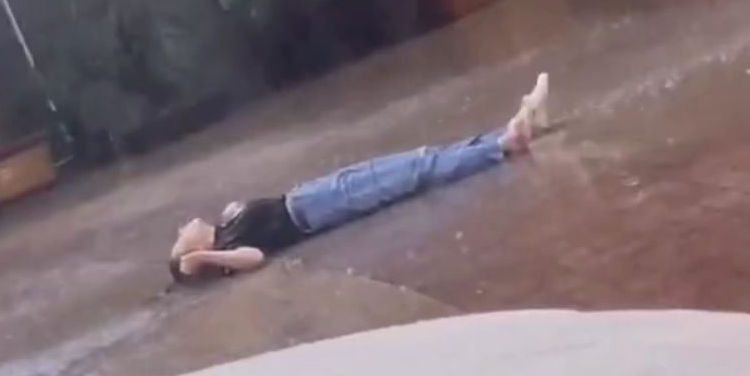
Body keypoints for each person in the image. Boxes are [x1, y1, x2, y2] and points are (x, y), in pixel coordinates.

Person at [169, 73, 551, 282]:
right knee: (413, 172)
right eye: (181, 238)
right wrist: (202, 256)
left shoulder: (227, 223)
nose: (183, 227)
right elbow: (255, 258)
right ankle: (503, 144)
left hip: (311, 194)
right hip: (319, 209)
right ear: (193, 253)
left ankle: (502, 135)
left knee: (416, 160)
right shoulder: (228, 250)